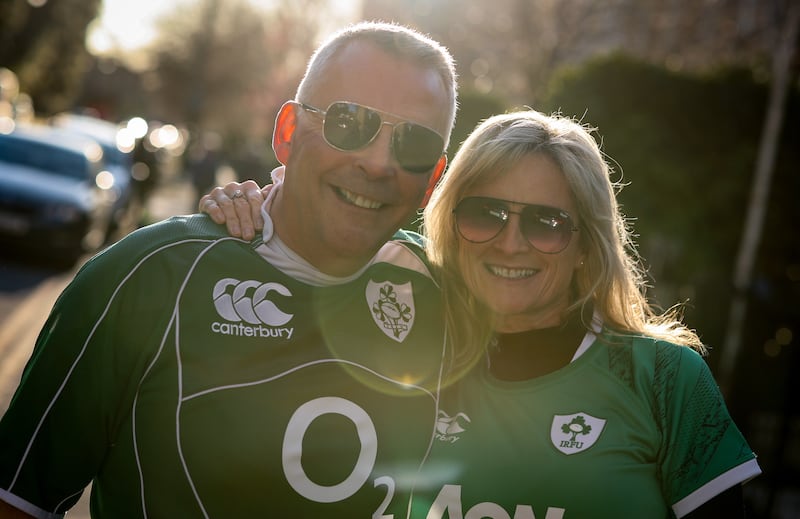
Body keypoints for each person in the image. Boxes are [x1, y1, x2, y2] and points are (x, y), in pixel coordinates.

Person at [0, 21, 461, 518]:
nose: (377, 163)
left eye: (413, 143)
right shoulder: (148, 274)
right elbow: (18, 500)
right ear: (287, 133)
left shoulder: (451, 293)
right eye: (349, 122)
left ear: (433, 178)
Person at [201, 109, 761, 518]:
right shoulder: (399, 339)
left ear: (587, 244)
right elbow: (317, 236)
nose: (510, 243)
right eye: (485, 214)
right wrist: (252, 212)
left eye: (546, 224)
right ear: (450, 224)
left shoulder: (664, 380)